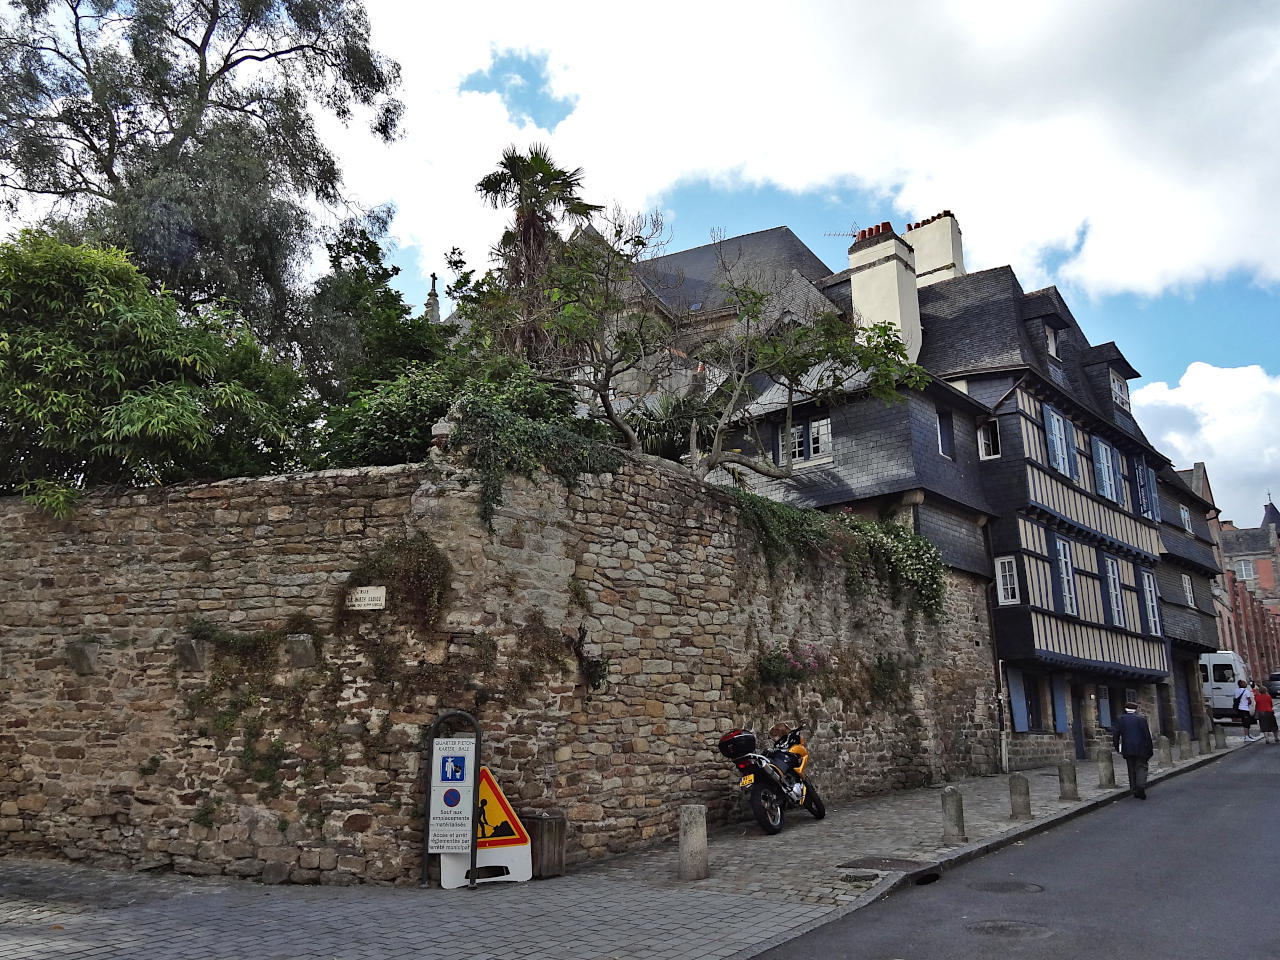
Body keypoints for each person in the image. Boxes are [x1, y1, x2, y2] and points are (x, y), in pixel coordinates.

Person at [1112, 701, 1154, 800]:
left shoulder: (1120, 719)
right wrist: (1150, 749)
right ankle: (1141, 786)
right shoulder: (1141, 720)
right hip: (1141, 748)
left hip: (1128, 748)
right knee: (1142, 767)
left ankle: (1134, 789)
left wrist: (1117, 747)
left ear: (1125, 709)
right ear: (1136, 710)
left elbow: (1116, 735)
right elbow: (1147, 736)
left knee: (1131, 769)